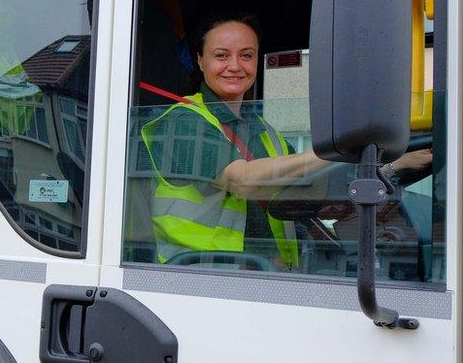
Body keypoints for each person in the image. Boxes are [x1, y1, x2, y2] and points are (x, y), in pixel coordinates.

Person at [140, 14, 432, 269]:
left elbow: (312, 189)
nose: (235, 65)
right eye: (221, 55)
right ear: (200, 61)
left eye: (246, 55)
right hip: (202, 281)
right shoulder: (182, 122)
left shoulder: (266, 132)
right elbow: (242, 180)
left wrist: (393, 166)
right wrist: (334, 147)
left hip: (267, 273)